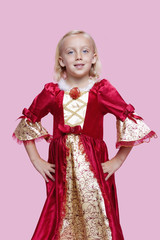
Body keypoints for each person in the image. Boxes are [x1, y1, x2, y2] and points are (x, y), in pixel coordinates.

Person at [12, 30, 157, 240]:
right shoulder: (52, 93)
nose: (78, 56)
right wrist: (36, 160)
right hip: (62, 171)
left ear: (93, 57)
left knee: (98, 211)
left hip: (94, 169)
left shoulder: (102, 91)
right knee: (59, 215)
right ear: (62, 61)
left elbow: (130, 120)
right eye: (71, 52)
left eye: (84, 51)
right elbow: (29, 121)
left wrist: (118, 160)